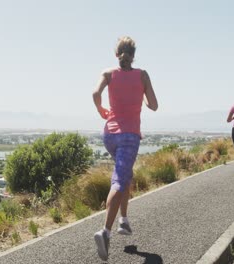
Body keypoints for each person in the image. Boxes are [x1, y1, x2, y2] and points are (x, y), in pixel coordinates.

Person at [92, 36, 158, 261]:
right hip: (129, 136)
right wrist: (144, 100)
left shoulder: (108, 73)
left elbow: (95, 94)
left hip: (109, 134)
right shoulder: (142, 75)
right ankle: (105, 231)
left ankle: (124, 220)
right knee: (120, 181)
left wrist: (101, 108)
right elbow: (154, 105)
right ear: (134, 54)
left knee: (125, 175)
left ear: (116, 53)